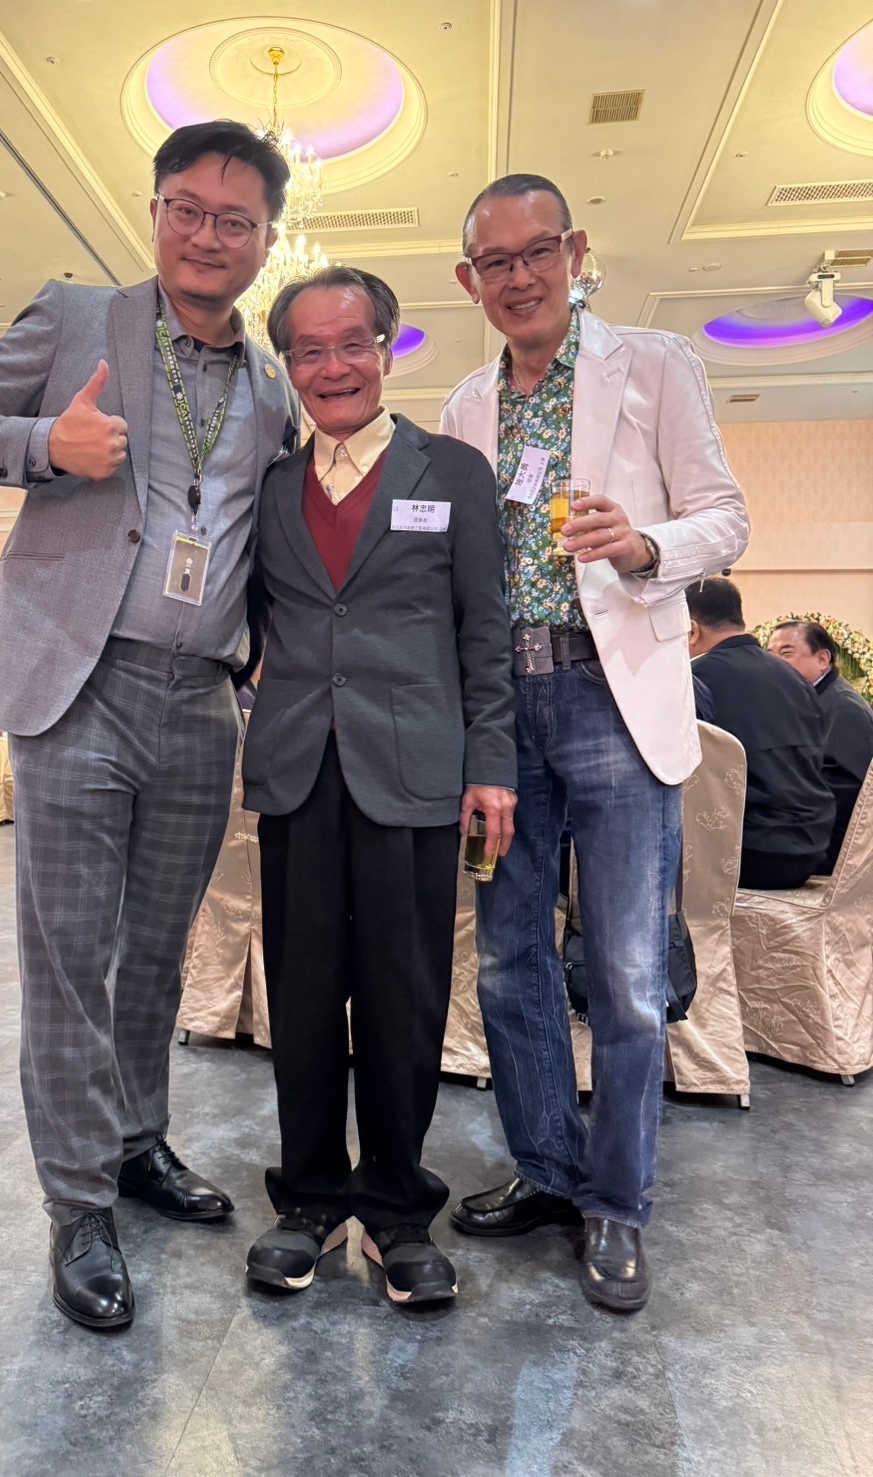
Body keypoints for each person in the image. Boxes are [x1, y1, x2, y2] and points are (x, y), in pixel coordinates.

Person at [0, 120, 296, 1331]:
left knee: (157, 951)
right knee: (69, 955)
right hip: (80, 682)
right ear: (156, 209)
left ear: (268, 242)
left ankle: (136, 1141)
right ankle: (78, 1203)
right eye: (188, 209)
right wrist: (47, 444)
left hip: (203, 699)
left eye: (235, 221)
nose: (208, 236)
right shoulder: (77, 318)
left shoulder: (274, 386)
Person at [441, 173, 749, 1312]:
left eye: (538, 252)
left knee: (623, 970)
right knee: (506, 955)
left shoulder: (655, 366)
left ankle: (616, 1202)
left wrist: (645, 543)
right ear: (469, 280)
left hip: (612, 694)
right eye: (495, 262)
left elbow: (726, 516)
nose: (519, 277)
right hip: (497, 709)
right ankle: (546, 1170)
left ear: (574, 253)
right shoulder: (465, 405)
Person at [241, 267, 517, 1306]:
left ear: (388, 350)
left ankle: (397, 1208)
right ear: (289, 367)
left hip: (414, 772)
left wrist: (491, 763)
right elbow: (251, 622)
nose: (332, 367)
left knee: (404, 997)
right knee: (304, 993)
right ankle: (310, 1198)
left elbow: (484, 632)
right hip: (297, 769)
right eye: (309, 351)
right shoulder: (271, 485)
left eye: (352, 343)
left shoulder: (453, 472)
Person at [687, 580, 834, 888]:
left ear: (691, 629)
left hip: (747, 853)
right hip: (812, 846)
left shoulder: (696, 678)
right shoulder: (794, 678)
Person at [768, 621, 873, 871]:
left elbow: (843, 788)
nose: (775, 663)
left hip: (829, 843)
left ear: (823, 659)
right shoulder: (807, 699)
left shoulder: (844, 707)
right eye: (770, 654)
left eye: (786, 653)